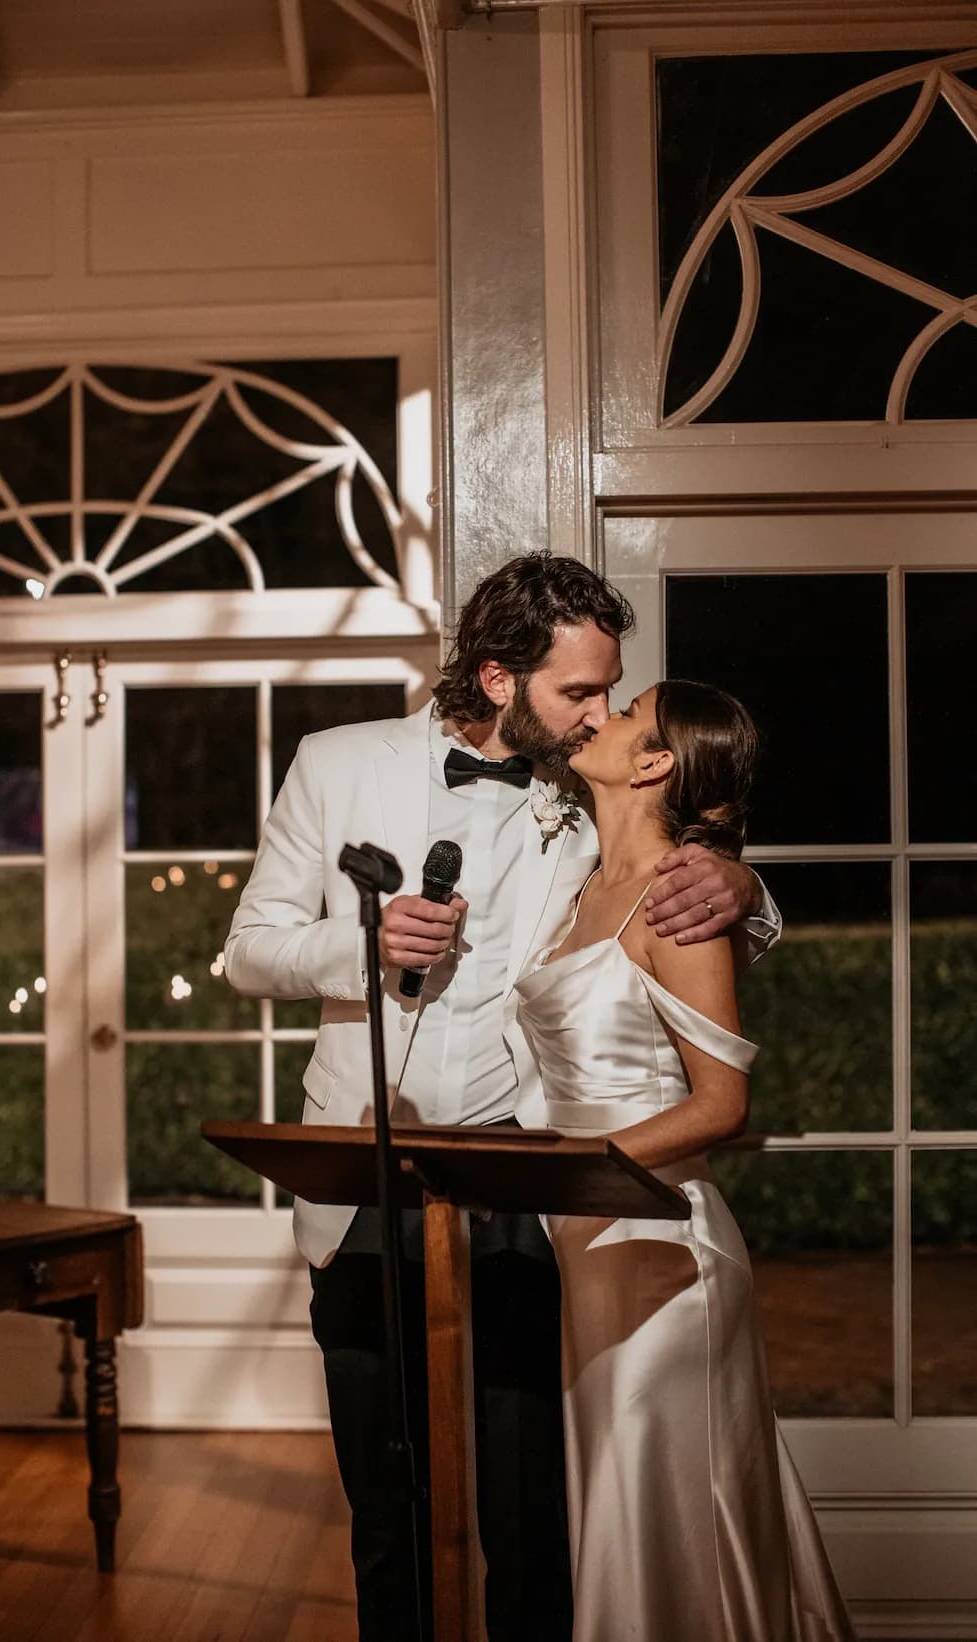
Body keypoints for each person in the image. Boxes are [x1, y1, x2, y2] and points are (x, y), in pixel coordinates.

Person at [224, 554, 781, 1642]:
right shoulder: (334, 762)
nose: (599, 715)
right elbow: (247, 951)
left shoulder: (585, 791)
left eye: (609, 693)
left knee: (534, 1515)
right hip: (364, 1177)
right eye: (579, 692)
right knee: (386, 1508)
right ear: (494, 679)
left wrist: (747, 886)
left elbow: (686, 856)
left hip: (532, 1192)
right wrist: (362, 942)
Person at [514, 680, 853, 1642]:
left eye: (625, 714)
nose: (601, 716)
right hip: (584, 1241)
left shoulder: (680, 898)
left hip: (662, 1249)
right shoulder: (581, 885)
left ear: (655, 762)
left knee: (665, 1514)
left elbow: (722, 1102)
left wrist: (569, 1163)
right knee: (618, 1516)